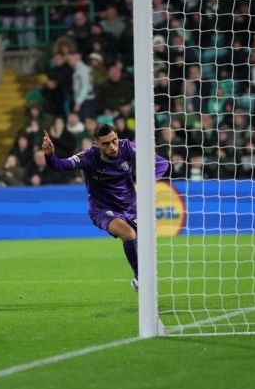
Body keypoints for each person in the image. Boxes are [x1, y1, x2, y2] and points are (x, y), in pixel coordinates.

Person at [42, 123, 169, 291]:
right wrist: (50, 155)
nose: (112, 146)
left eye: (114, 140)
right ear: (96, 144)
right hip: (102, 210)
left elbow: (163, 163)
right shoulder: (88, 157)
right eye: (106, 144)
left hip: (131, 207)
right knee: (128, 234)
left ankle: (141, 277)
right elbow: (59, 165)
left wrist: (147, 183)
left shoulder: (127, 147)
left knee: (146, 240)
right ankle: (141, 279)